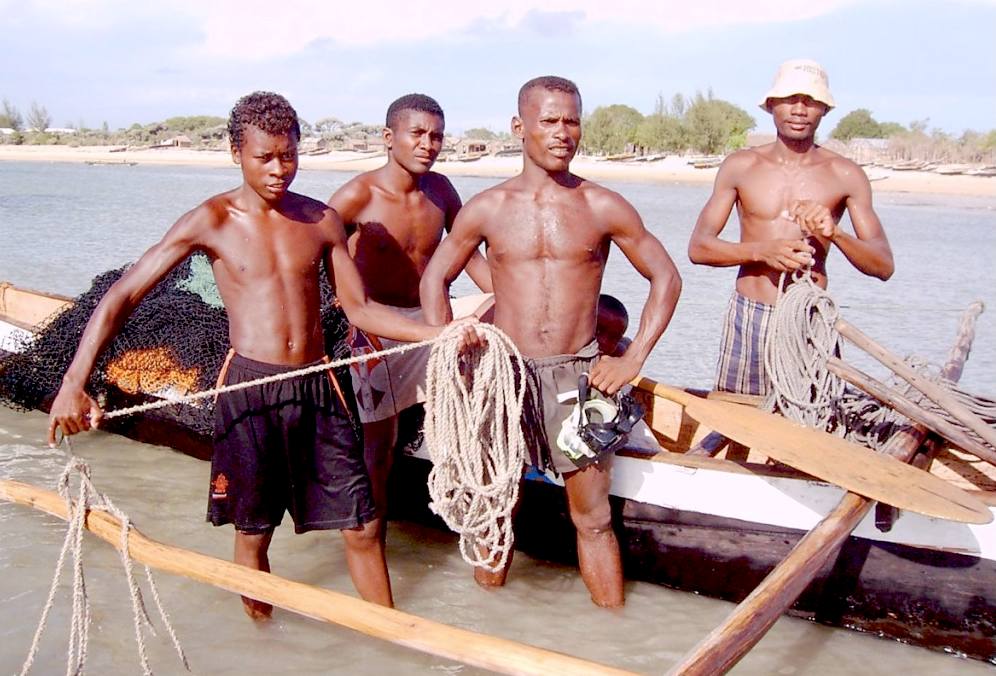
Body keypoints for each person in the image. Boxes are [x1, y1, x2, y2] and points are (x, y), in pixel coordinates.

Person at [46, 91, 453, 618]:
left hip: (317, 387)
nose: (279, 169)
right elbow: (122, 296)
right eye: (265, 157)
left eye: (289, 155)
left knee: (363, 522)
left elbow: (359, 309)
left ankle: (396, 641)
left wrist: (437, 334)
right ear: (236, 153)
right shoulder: (210, 220)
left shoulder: (321, 220)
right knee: (254, 532)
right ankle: (262, 641)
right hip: (250, 390)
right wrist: (74, 383)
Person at [420, 76, 682, 607]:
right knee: (494, 508)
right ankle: (485, 637)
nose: (563, 133)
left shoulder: (603, 205)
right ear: (520, 128)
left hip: (578, 377)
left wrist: (632, 359)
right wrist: (449, 340)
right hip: (504, 375)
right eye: (550, 121)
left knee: (592, 518)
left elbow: (667, 277)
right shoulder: (487, 208)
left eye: (572, 121)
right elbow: (435, 278)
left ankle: (611, 638)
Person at [328, 93, 493, 534]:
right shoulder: (357, 196)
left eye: (436, 136)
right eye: (417, 134)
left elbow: (468, 253)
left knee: (500, 309)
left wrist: (505, 297)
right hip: (377, 326)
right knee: (380, 446)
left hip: (432, 317)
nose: (428, 144)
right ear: (389, 138)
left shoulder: (441, 189)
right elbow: (317, 255)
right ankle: (373, 531)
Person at [688, 59, 894, 396]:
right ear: (771, 105)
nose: (799, 109)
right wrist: (759, 251)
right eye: (790, 99)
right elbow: (698, 247)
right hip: (750, 316)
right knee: (736, 422)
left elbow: (884, 265)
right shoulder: (741, 165)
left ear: (824, 109)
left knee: (811, 426)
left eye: (810, 101)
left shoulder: (845, 175)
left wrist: (836, 234)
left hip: (808, 319)